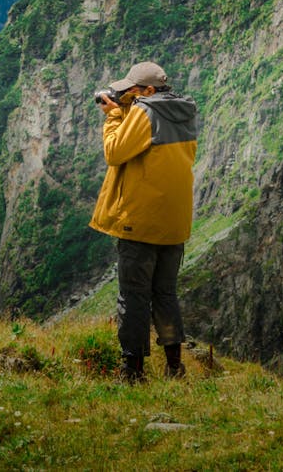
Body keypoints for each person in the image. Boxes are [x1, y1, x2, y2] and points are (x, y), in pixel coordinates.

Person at [90, 61, 198, 382]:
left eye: (134, 92)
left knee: (134, 296)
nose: (129, 97)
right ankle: (174, 366)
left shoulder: (142, 112)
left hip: (140, 223)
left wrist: (113, 115)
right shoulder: (185, 112)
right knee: (165, 294)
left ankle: (133, 371)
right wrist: (126, 111)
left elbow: (114, 151)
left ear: (149, 91)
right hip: (173, 223)